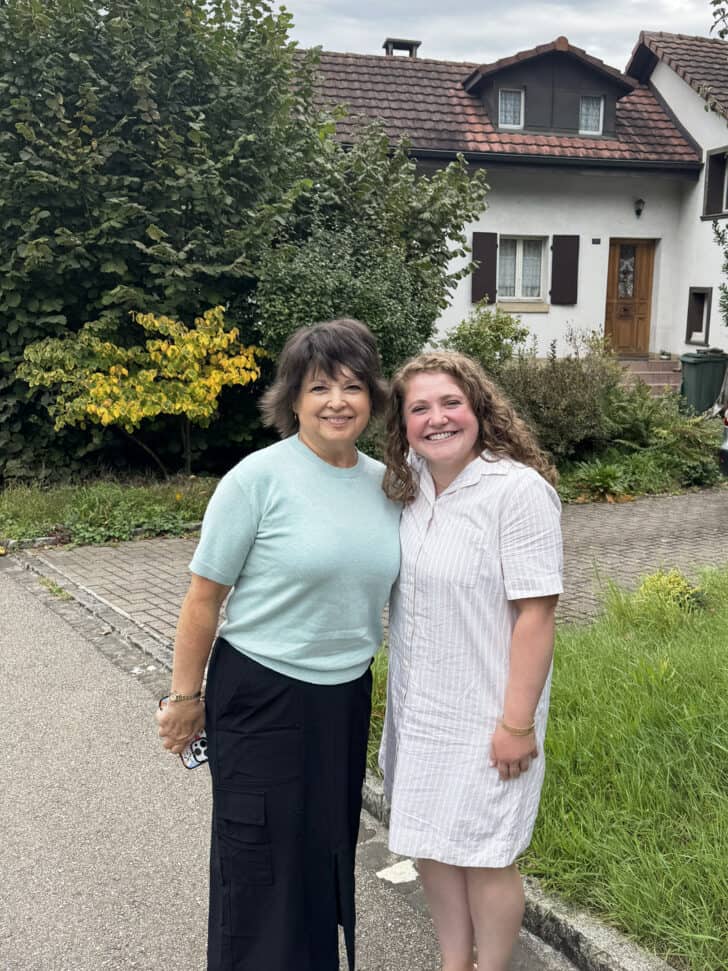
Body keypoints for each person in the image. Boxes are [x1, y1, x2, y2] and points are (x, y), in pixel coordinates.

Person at [157, 318, 401, 971]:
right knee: (259, 861)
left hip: (344, 698)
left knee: (325, 855)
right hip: (260, 694)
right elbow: (203, 598)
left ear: (372, 397)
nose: (337, 401)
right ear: (293, 397)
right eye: (320, 386)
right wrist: (186, 696)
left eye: (353, 386)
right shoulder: (255, 480)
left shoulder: (388, 485)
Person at [380, 351, 563, 971]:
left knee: (487, 852)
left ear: (478, 408)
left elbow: (537, 616)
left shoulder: (517, 491)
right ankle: (453, 962)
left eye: (450, 403)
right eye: (419, 408)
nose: (437, 419)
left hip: (490, 710)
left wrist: (517, 725)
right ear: (402, 424)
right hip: (419, 706)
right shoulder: (406, 484)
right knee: (430, 842)